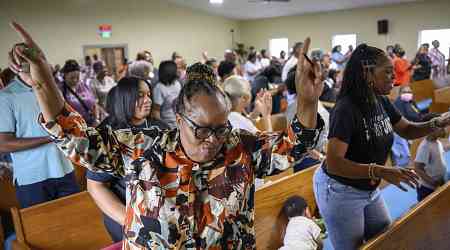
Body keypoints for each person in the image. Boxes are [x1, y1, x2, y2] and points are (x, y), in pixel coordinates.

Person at [10, 22, 324, 249]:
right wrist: (42, 79)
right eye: (201, 129)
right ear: (179, 119)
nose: (213, 139)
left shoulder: (239, 148)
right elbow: (73, 134)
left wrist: (308, 101)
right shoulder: (142, 149)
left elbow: (296, 145)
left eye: (221, 127)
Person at [313, 43, 450, 249]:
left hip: (368, 186)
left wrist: (435, 123)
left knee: (384, 237)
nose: (394, 77)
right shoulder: (346, 108)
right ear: (367, 73)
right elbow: (333, 164)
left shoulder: (380, 100)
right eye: (387, 72)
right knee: (353, 247)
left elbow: (406, 129)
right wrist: (380, 171)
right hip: (340, 189)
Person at [87, 79, 168, 243]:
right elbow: (96, 185)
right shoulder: (109, 134)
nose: (148, 100)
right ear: (125, 98)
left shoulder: (159, 127)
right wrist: (132, 222)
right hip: (126, 213)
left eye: (149, 95)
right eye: (140, 96)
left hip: (159, 213)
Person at [0, 44, 79, 208]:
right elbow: (4, 143)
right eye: (23, 59)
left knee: (73, 227)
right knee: (41, 231)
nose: (29, 62)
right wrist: (50, 138)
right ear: (15, 64)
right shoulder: (7, 96)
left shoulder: (50, 88)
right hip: (33, 178)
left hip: (64, 169)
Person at [414, 113, 449, 201]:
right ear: (430, 130)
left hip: (439, 182)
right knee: (427, 208)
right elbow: (417, 167)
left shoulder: (437, 142)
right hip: (427, 188)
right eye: (441, 127)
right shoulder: (425, 147)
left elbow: (439, 153)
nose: (444, 130)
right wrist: (432, 182)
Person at [60, 59, 98, 126]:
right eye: (72, 78)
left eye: (77, 77)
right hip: (74, 127)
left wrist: (96, 118)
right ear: (65, 75)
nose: (75, 80)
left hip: (91, 124)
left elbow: (94, 103)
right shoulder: (61, 90)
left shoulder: (84, 85)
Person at [151, 60, 181, 128]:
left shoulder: (177, 84)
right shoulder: (159, 88)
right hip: (167, 126)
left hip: (179, 124)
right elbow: (156, 112)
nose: (178, 71)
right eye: (176, 69)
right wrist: (163, 128)